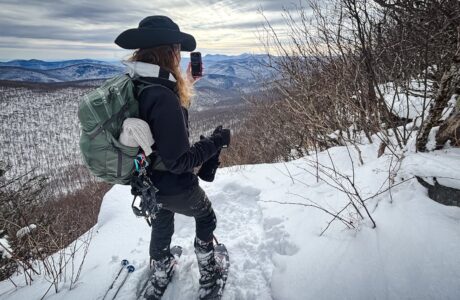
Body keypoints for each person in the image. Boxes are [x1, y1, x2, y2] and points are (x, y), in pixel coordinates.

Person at [114, 16, 230, 300]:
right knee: (206, 217)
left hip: (148, 183)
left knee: (163, 218)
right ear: (169, 52)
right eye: (177, 48)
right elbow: (179, 160)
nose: (179, 54)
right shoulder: (163, 95)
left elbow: (159, 124)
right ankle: (208, 273)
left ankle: (161, 269)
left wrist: (188, 83)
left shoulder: (137, 82)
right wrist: (215, 142)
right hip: (176, 185)